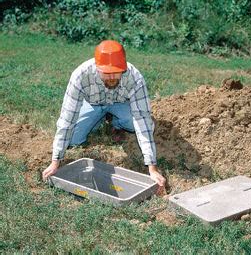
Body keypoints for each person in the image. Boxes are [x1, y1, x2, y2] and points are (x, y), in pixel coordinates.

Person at [42, 40, 166, 193]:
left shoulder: (135, 78)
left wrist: (152, 169)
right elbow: (67, 118)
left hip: (121, 104)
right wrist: (55, 162)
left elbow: (142, 121)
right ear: (97, 68)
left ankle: (116, 122)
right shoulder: (80, 76)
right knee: (74, 139)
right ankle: (101, 119)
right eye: (106, 73)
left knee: (142, 124)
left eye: (116, 72)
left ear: (124, 67)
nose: (112, 77)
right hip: (93, 104)